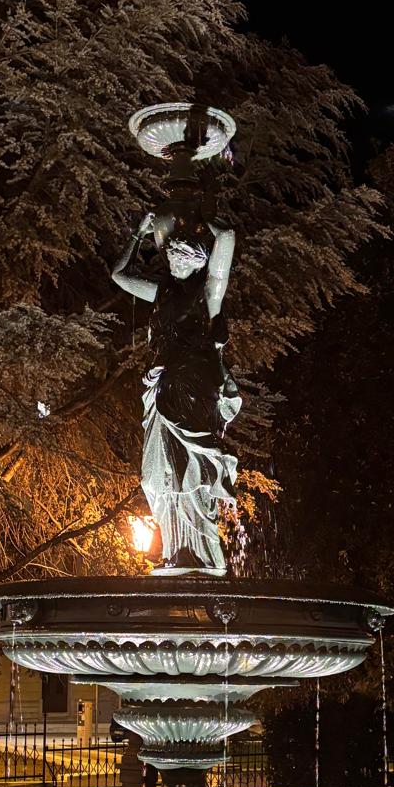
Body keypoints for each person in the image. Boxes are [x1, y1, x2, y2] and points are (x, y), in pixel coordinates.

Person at [111, 148, 239, 575]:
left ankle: (202, 552)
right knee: (157, 474)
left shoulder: (208, 295)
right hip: (162, 385)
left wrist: (204, 213)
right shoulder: (161, 293)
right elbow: (119, 275)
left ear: (198, 263)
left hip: (194, 384)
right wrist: (137, 234)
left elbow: (227, 238)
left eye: (184, 259)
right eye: (172, 258)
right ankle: (175, 549)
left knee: (191, 466)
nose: (176, 264)